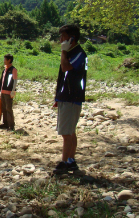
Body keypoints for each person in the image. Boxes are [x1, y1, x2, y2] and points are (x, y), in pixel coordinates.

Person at [53, 24, 88, 174]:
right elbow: (63, 76)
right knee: (70, 131)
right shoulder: (71, 52)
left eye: (63, 38)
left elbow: (66, 67)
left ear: (72, 39)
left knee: (67, 133)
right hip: (65, 96)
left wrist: (63, 51)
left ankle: (65, 162)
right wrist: (57, 96)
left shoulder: (78, 54)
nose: (61, 40)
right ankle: (70, 160)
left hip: (72, 97)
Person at [0, 54, 18, 131]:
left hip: (9, 92)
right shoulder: (5, 70)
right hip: (3, 92)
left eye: (5, 59)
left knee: (8, 109)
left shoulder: (13, 69)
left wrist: (13, 90)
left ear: (9, 60)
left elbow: (15, 80)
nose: (4, 61)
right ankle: (5, 123)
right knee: (4, 108)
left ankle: (11, 126)